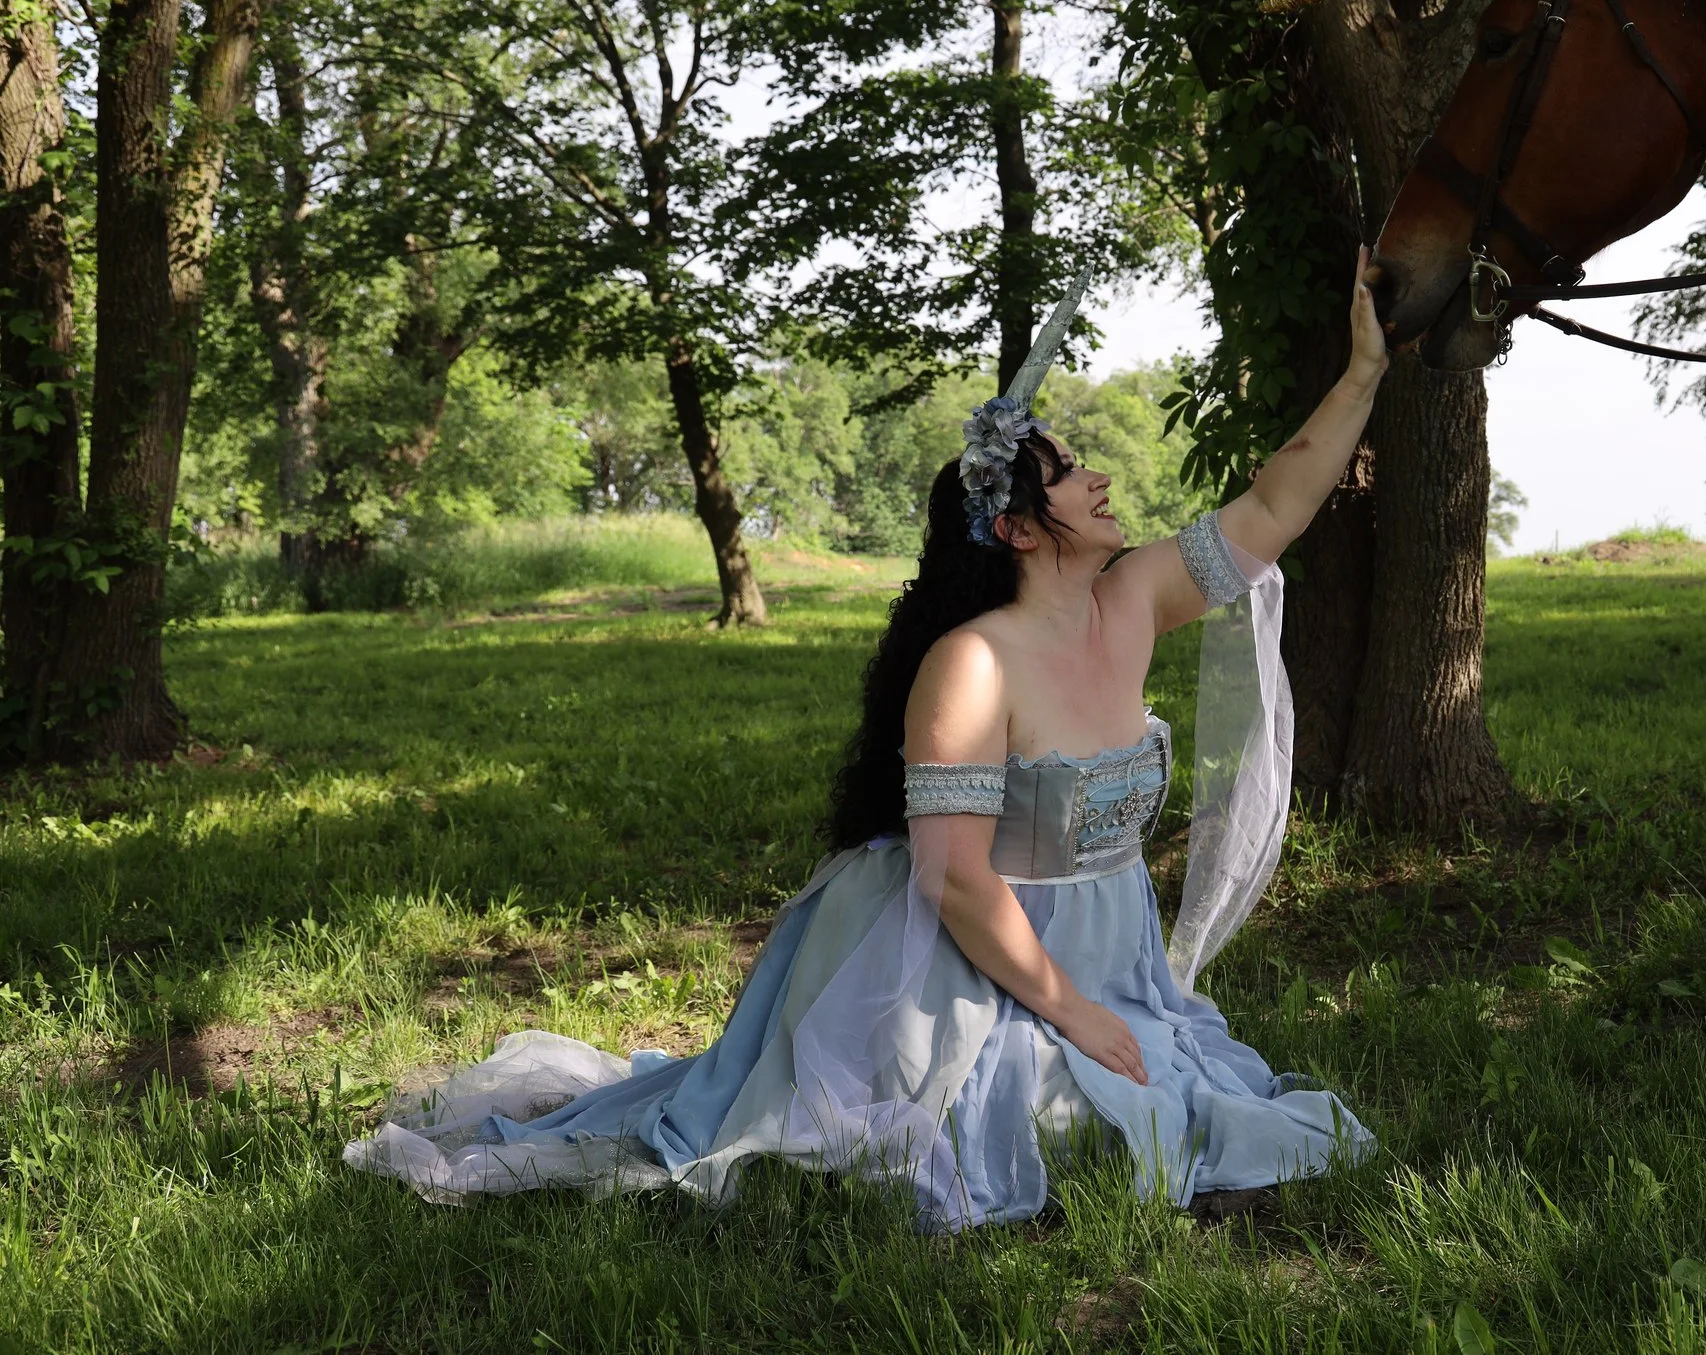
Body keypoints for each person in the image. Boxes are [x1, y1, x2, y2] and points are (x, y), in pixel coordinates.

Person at [347, 260, 1391, 1228]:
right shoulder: (972, 663)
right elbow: (953, 879)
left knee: (1181, 1098)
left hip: (1106, 953)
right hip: (964, 964)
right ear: (1020, 529)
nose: (1097, 476)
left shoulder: (1129, 600)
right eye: (1067, 472)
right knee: (1068, 1125)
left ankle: (1107, 1041)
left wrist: (1363, 369)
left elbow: (1274, 502)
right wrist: (1071, 1011)